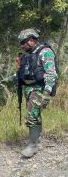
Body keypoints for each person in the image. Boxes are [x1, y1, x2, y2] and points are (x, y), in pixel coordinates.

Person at [17, 28, 58, 158]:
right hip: (29, 89)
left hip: (39, 89)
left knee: (32, 116)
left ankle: (32, 145)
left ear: (30, 40)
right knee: (35, 115)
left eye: (23, 42)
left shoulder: (45, 52)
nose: (21, 46)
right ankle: (37, 142)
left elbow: (51, 74)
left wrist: (47, 93)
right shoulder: (29, 54)